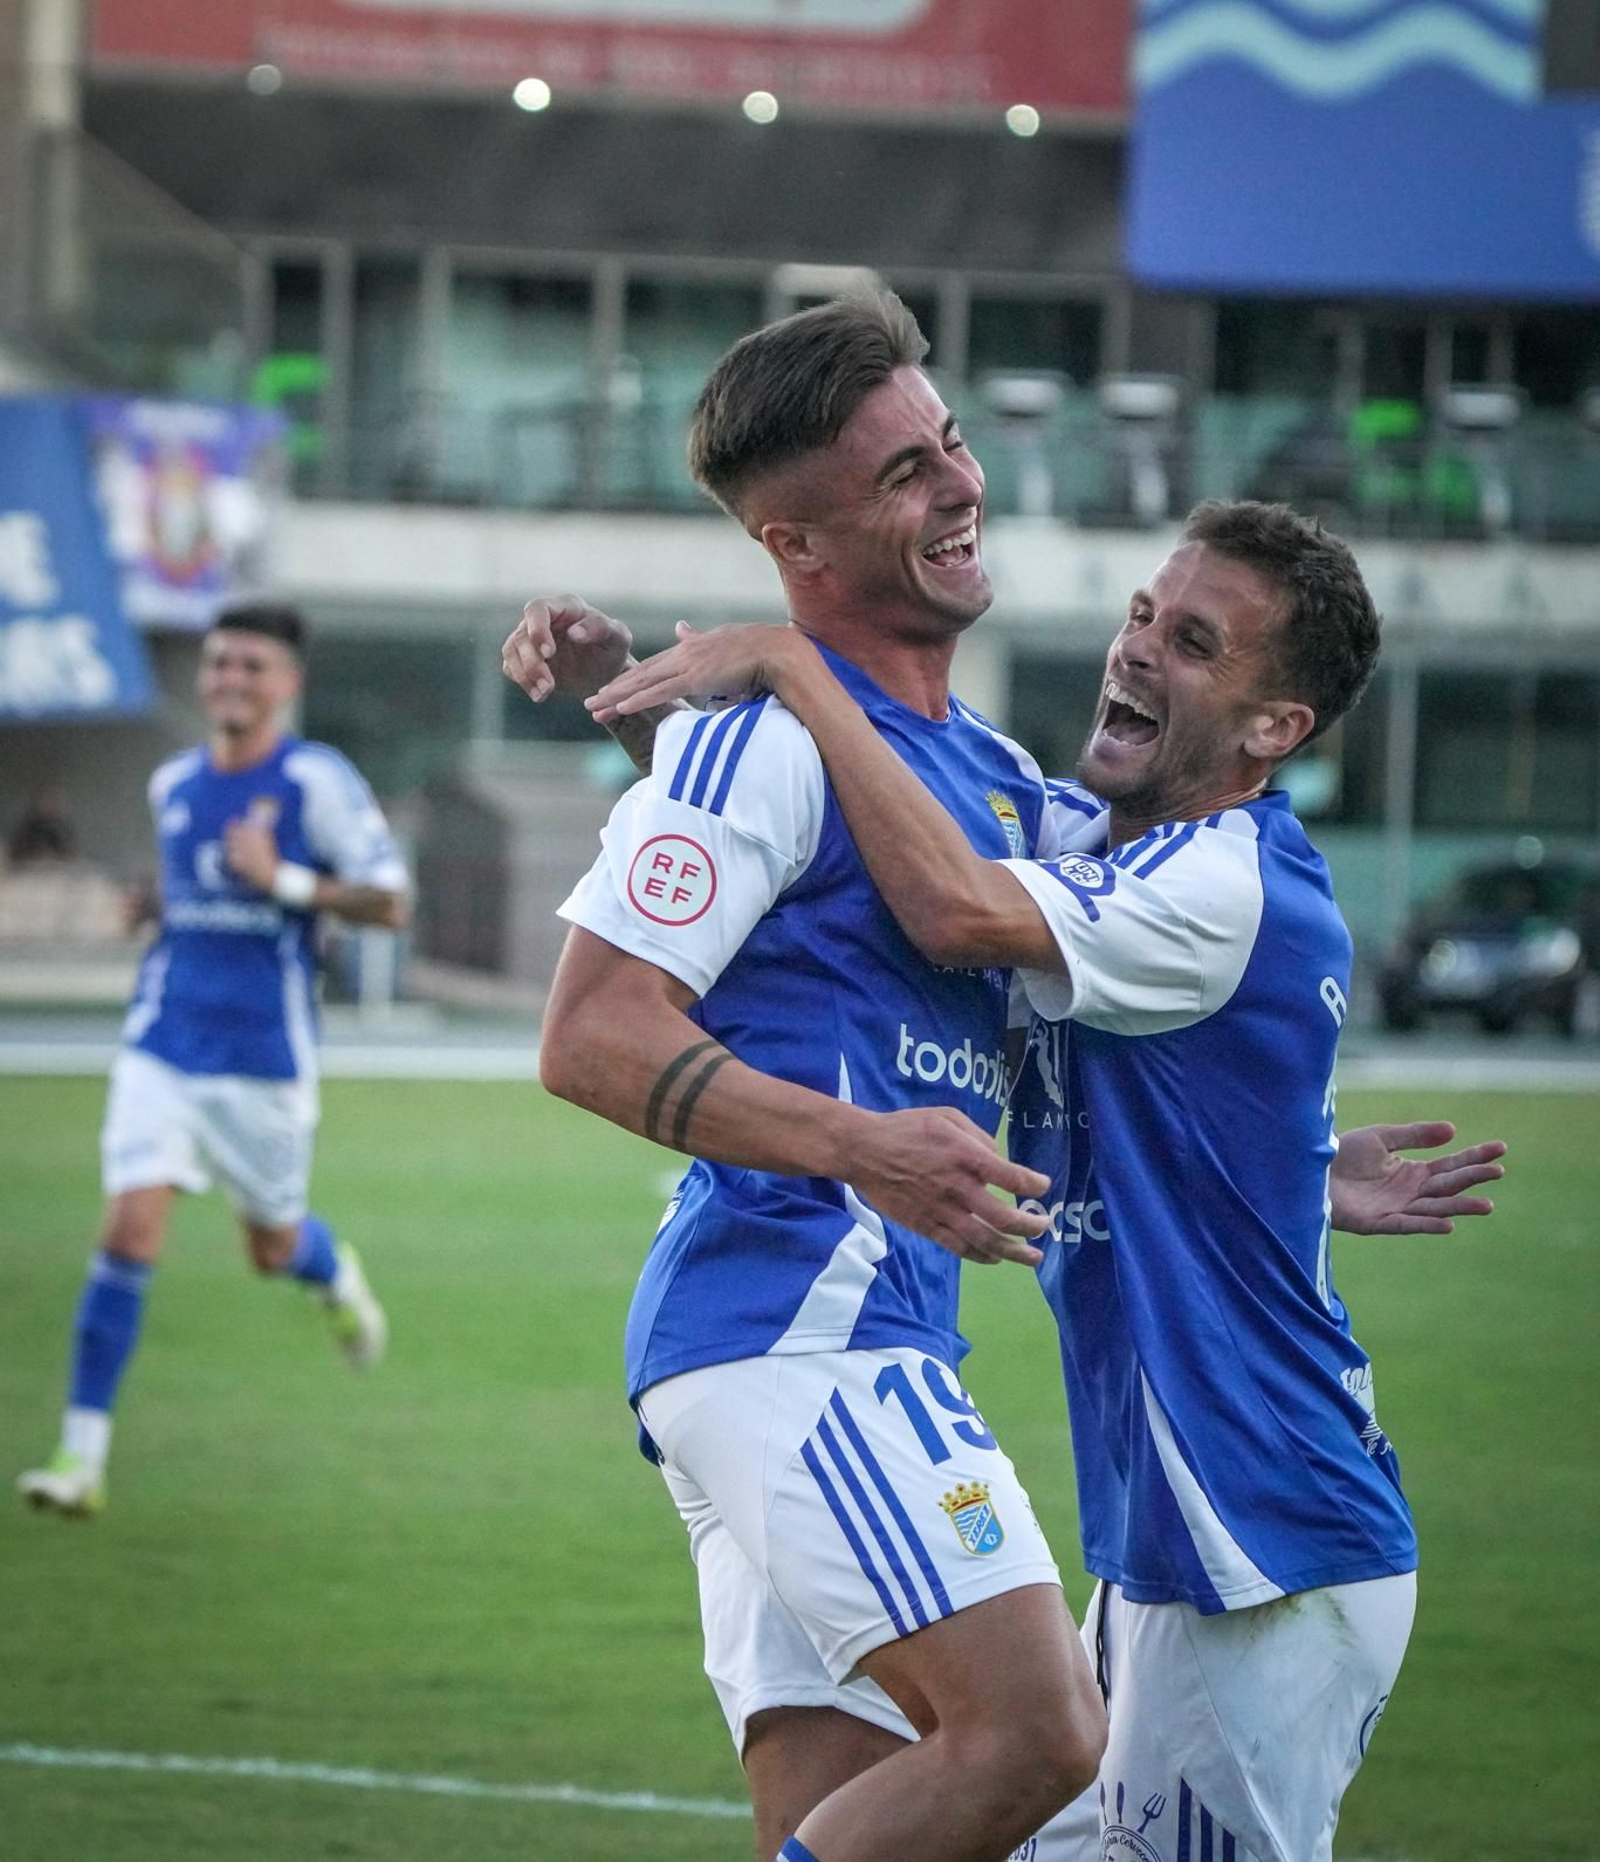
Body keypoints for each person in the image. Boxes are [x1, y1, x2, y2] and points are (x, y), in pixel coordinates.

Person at [583, 497, 1509, 1862]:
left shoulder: (1225, 882)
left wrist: (790, 664)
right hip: (1178, 1538)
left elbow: (950, 906)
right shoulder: (1101, 839)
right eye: (1144, 612)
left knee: (1009, 1762)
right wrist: (656, 720)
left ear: (1274, 731)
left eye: (1194, 643)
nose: (1138, 649)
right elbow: (861, 838)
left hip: (1268, 1530)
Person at [527, 291, 1109, 1862]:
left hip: (828, 1340)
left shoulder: (997, 781)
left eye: (952, 443)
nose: (960, 484)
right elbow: (592, 1033)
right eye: (905, 474)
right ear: (796, 544)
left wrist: (1302, 1164)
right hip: (794, 1332)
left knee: (865, 1827)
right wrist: (868, 1147)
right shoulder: (752, 737)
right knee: (1044, 1735)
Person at [18, 602, 409, 1521]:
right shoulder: (173, 785)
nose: (231, 677)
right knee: (127, 1231)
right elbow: (197, 895)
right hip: (164, 1041)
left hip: (264, 1061)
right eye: (220, 661)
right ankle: (80, 1458)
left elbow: (390, 903)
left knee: (271, 1248)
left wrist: (287, 880)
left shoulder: (315, 780)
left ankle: (332, 1271)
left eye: (252, 665)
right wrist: (154, 908)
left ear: (288, 684)